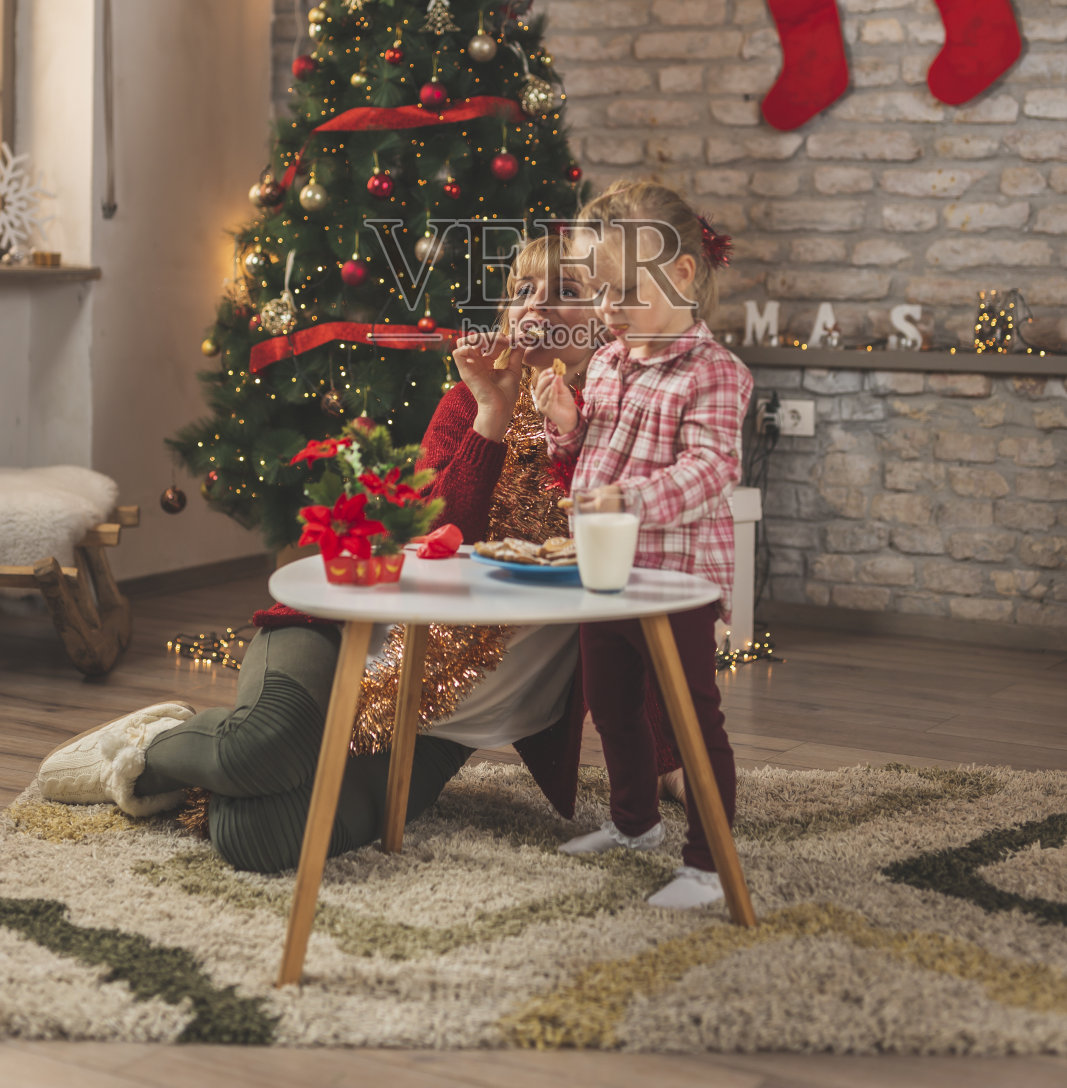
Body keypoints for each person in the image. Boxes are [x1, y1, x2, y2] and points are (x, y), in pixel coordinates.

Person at [37, 233, 678, 870]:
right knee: (258, 747)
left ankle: (226, 763)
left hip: (441, 727)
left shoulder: (624, 431)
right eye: (522, 291)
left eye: (564, 292)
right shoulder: (467, 404)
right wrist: (490, 415)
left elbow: (639, 597)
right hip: (343, 640)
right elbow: (428, 537)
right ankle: (150, 744)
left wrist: (673, 757)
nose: (535, 307)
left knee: (259, 837)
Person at [534, 178, 752, 911]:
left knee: (689, 717)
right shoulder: (605, 362)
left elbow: (711, 469)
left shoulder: (714, 372)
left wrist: (626, 501)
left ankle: (708, 861)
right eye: (598, 293)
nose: (606, 311)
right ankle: (634, 824)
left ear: (681, 275)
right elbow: (582, 455)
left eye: (622, 293)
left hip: (674, 580)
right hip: (604, 573)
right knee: (610, 704)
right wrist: (565, 421)